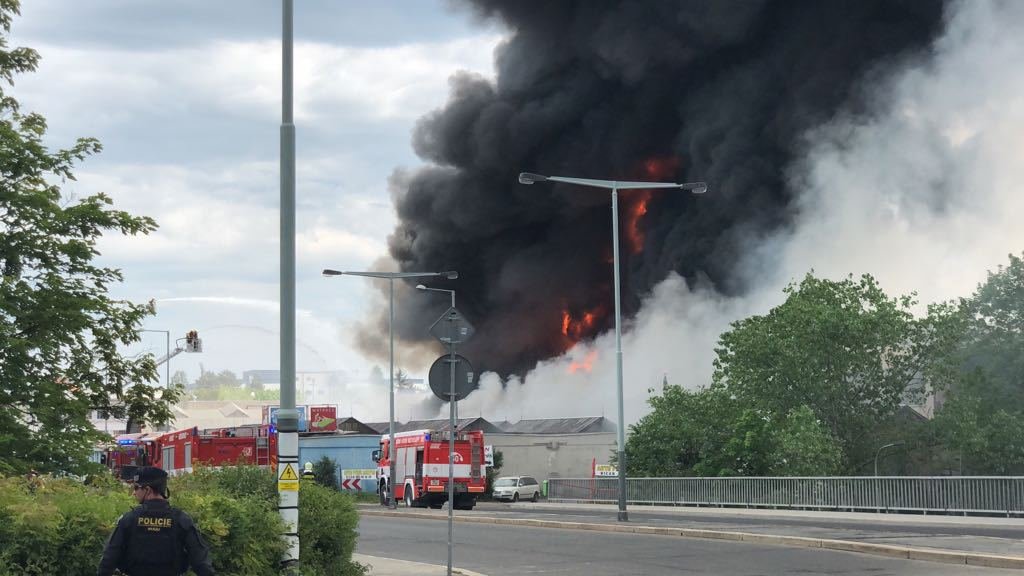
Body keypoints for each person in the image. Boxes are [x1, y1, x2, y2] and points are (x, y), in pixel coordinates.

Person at [97, 467, 215, 576]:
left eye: (136, 487)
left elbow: (109, 558)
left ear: (147, 490)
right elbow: (201, 561)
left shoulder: (129, 519)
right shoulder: (181, 519)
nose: (134, 492)